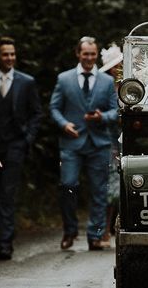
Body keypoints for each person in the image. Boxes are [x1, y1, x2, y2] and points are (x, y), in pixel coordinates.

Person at [50, 36, 118, 251]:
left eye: (93, 54)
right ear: (78, 54)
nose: (89, 58)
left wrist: (102, 117)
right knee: (68, 186)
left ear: (96, 55)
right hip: (71, 142)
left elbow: (115, 111)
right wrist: (63, 124)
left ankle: (95, 236)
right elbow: (54, 108)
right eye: (85, 54)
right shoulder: (64, 79)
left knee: (99, 191)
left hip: (99, 143)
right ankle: (69, 231)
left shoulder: (107, 82)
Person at [0, 36, 42, 260]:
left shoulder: (26, 81)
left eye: (12, 54)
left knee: (7, 194)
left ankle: (5, 244)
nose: (10, 58)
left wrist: (28, 139)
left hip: (15, 145)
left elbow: (36, 113)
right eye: (5, 54)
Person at [100, 45, 123, 243]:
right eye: (114, 66)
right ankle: (105, 227)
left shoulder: (126, 85)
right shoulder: (105, 87)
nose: (117, 69)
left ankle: (118, 224)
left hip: (126, 138)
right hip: (110, 140)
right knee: (111, 186)